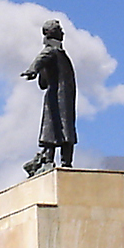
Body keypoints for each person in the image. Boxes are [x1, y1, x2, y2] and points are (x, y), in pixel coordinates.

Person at [21, 19, 77, 175]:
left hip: (65, 99)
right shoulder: (51, 51)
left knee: (64, 130)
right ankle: (49, 161)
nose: (63, 32)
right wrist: (33, 70)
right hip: (56, 99)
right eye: (59, 30)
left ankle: (64, 162)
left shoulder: (60, 53)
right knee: (53, 130)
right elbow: (40, 60)